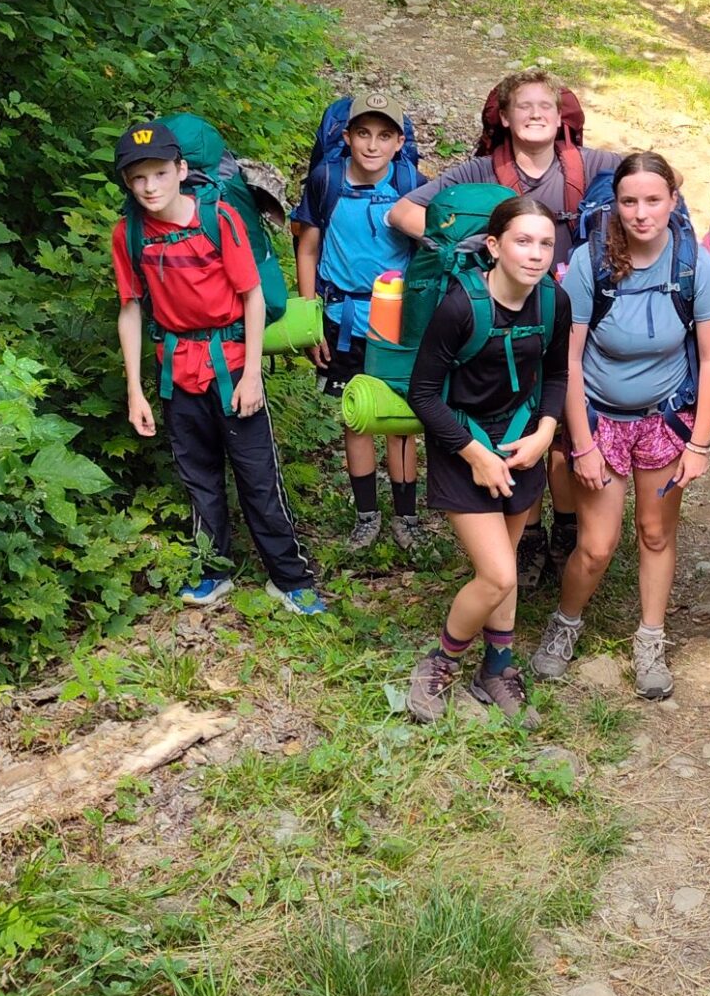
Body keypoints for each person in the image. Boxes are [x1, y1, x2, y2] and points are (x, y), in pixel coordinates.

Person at [391, 70, 622, 589]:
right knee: (520, 414)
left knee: (561, 423)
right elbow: (404, 212)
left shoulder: (592, 164)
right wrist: (467, 247)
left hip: (569, 312)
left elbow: (653, 185)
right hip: (502, 317)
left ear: (562, 116)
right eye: (524, 106)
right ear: (505, 116)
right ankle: (531, 537)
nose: (537, 114)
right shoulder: (478, 171)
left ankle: (565, 530)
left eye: (547, 105)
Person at [531, 153, 710, 700]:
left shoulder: (694, 263)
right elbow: (566, 360)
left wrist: (700, 441)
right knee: (597, 544)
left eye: (653, 200)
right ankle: (565, 623)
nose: (641, 213)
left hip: (664, 417)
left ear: (673, 200)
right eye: (629, 201)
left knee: (656, 532)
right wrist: (584, 442)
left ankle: (650, 640)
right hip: (600, 416)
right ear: (615, 205)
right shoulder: (592, 261)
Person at [111, 119, 326, 615]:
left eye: (160, 173)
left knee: (258, 476)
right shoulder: (129, 234)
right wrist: (135, 391)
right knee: (198, 476)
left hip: (230, 366)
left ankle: (290, 578)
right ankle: (213, 571)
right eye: (138, 177)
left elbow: (252, 295)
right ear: (127, 181)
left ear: (181, 170)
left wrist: (253, 373)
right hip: (175, 371)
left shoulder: (218, 218)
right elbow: (130, 308)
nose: (150, 186)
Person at [403, 194, 573, 723]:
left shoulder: (553, 303)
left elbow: (558, 374)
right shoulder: (459, 305)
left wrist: (546, 431)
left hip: (521, 443)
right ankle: (439, 662)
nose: (536, 254)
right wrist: (474, 453)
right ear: (496, 246)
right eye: (523, 241)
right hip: (462, 444)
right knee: (499, 574)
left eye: (546, 243)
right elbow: (423, 393)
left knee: (508, 569)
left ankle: (496, 668)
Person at [291, 95, 431, 554]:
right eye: (364, 134)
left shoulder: (412, 185)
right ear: (346, 137)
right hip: (340, 319)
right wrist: (309, 320)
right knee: (357, 417)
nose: (373, 145)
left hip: (398, 323)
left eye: (385, 135)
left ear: (400, 142)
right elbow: (307, 249)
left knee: (401, 421)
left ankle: (406, 519)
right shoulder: (326, 180)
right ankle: (367, 516)